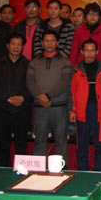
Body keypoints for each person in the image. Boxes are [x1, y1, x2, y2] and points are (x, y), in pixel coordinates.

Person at [26, 30, 74, 162]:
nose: (49, 43)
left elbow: (65, 82)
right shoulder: (34, 62)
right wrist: (40, 97)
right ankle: (39, 170)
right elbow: (30, 82)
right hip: (40, 107)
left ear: (57, 43)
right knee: (39, 142)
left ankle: (61, 170)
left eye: (52, 41)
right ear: (42, 43)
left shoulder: (65, 62)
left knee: (61, 143)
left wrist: (48, 96)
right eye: (46, 41)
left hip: (59, 107)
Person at [70, 38, 101, 171]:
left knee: (100, 144)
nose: (89, 53)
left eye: (92, 50)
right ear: (82, 52)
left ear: (97, 52)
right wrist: (72, 111)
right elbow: (71, 92)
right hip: (82, 110)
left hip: (99, 110)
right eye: (86, 50)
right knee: (82, 145)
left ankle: (100, 172)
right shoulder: (76, 71)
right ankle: (83, 172)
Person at [0, 33, 31, 167]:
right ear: (8, 46)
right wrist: (7, 98)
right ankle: (3, 170)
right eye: (13, 44)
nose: (16, 47)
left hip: (22, 109)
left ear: (23, 47)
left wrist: (23, 97)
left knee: (21, 143)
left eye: (19, 44)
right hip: (2, 108)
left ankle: (21, 171)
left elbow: (32, 85)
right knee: (3, 143)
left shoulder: (29, 65)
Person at [70, 3, 101, 70]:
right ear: (85, 16)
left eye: (96, 14)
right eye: (90, 14)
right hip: (82, 66)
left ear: (99, 16)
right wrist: (71, 68)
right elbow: (74, 51)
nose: (93, 17)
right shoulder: (79, 31)